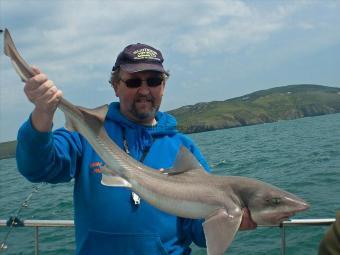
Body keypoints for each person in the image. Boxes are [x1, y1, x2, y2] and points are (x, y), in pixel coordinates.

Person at [16, 43, 256, 255]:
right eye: (133, 81)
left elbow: (196, 231)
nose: (144, 90)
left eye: (153, 81)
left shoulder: (183, 149)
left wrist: (230, 222)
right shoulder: (86, 134)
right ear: (115, 86)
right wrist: (43, 113)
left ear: (163, 86)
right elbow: (36, 167)